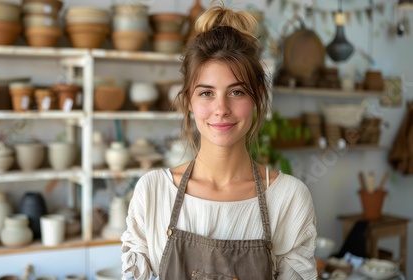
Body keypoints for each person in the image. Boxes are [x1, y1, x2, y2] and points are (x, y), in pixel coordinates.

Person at [121, 2, 317, 279]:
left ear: (257, 96)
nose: (221, 108)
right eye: (206, 93)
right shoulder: (153, 193)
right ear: (188, 99)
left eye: (236, 92)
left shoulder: (288, 198)